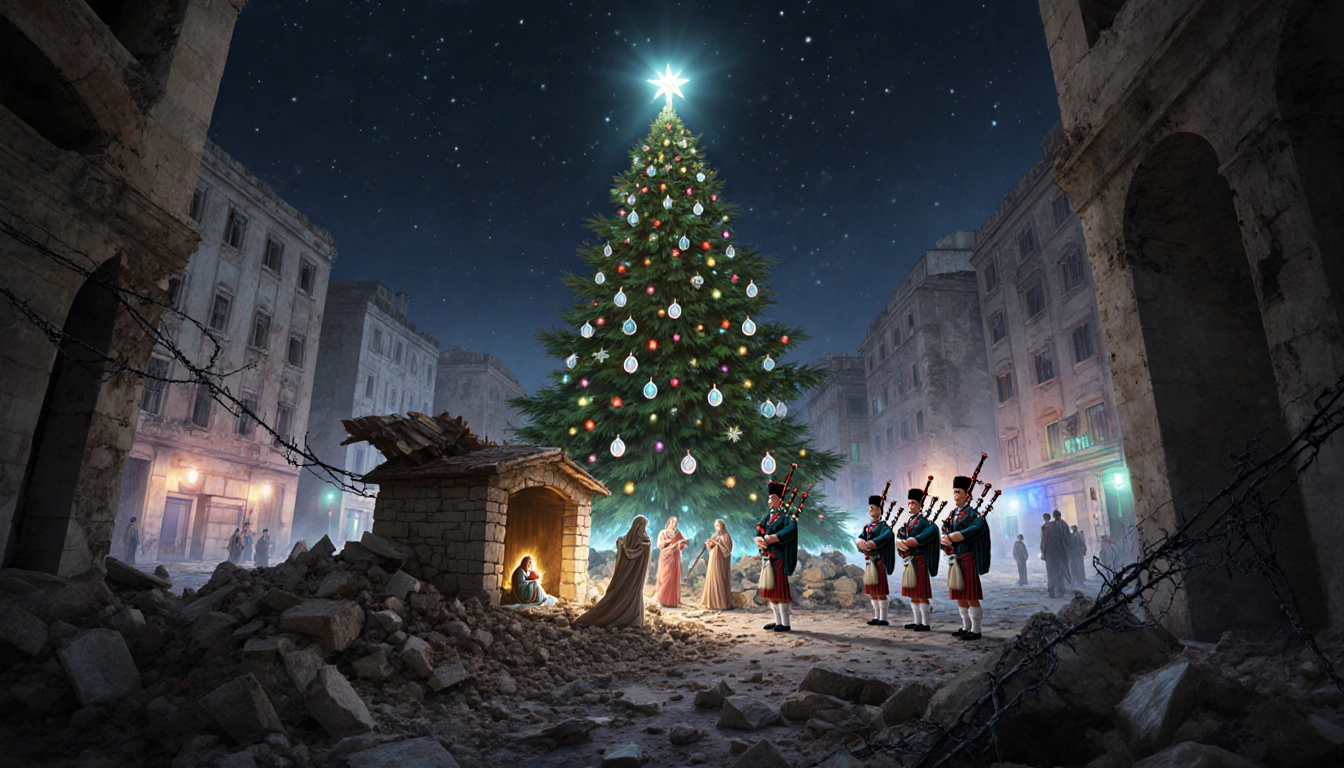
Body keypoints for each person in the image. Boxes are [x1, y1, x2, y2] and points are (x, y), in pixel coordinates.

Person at [576, 516, 652, 628]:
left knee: (620, 597)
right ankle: (629, 619)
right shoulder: (643, 541)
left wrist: (622, 547)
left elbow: (625, 550)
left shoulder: (628, 539)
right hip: (633, 579)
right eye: (644, 527)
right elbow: (633, 554)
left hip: (629, 578)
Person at [942, 475, 991, 641]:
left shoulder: (973, 514)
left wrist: (959, 535)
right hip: (954, 558)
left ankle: (976, 630)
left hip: (967, 557)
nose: (955, 494)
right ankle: (965, 626)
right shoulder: (953, 513)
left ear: (967, 495)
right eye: (954, 491)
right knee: (959, 595)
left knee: (970, 595)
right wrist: (945, 536)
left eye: (958, 491)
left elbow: (978, 527)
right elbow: (946, 529)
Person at [755, 480, 798, 632]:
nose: (769, 501)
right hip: (768, 560)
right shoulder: (768, 517)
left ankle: (785, 623)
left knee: (780, 593)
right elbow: (759, 531)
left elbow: (791, 530)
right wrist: (759, 539)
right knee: (772, 593)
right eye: (768, 498)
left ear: (780, 500)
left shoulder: (786, 518)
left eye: (772, 498)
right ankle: (777, 620)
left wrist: (772, 538)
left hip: (779, 559)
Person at [896, 488, 939, 632]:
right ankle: (917, 621)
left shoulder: (925, 523)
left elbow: (929, 534)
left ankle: (925, 623)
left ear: (921, 505)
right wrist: (900, 542)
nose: (910, 506)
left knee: (921, 594)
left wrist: (914, 540)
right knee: (913, 594)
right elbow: (901, 534)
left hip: (919, 561)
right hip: (909, 561)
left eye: (914, 503)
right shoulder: (908, 522)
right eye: (909, 503)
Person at [857, 494, 896, 626]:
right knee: (873, 592)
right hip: (869, 561)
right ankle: (876, 616)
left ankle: (883, 618)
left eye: (873, 508)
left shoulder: (883, 526)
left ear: (879, 510)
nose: (870, 510)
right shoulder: (868, 526)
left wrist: (873, 543)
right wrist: (861, 543)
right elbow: (862, 537)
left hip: (878, 561)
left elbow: (888, 536)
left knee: (880, 591)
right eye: (870, 508)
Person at [699, 520, 734, 610]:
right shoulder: (714, 536)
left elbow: (727, 551)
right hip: (713, 561)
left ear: (723, 526)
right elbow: (711, 548)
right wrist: (709, 544)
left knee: (720, 578)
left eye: (719, 525)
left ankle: (721, 604)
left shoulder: (726, 536)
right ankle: (712, 602)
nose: (718, 527)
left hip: (721, 562)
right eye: (716, 526)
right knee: (712, 578)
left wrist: (717, 544)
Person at [656, 516, 687, 608]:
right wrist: (669, 541)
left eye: (676, 523)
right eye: (674, 523)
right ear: (669, 522)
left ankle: (672, 601)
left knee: (673, 577)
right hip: (665, 557)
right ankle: (663, 599)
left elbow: (681, 545)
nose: (675, 524)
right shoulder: (663, 533)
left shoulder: (677, 533)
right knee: (664, 576)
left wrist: (682, 543)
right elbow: (660, 545)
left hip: (674, 557)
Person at [1040, 512, 1068, 598]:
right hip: (1057, 553)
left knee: (1052, 573)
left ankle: (1053, 591)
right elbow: (1063, 540)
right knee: (1059, 572)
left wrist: (1043, 553)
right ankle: (1060, 590)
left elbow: (1043, 542)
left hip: (1051, 554)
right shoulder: (1056, 525)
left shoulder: (1046, 528)